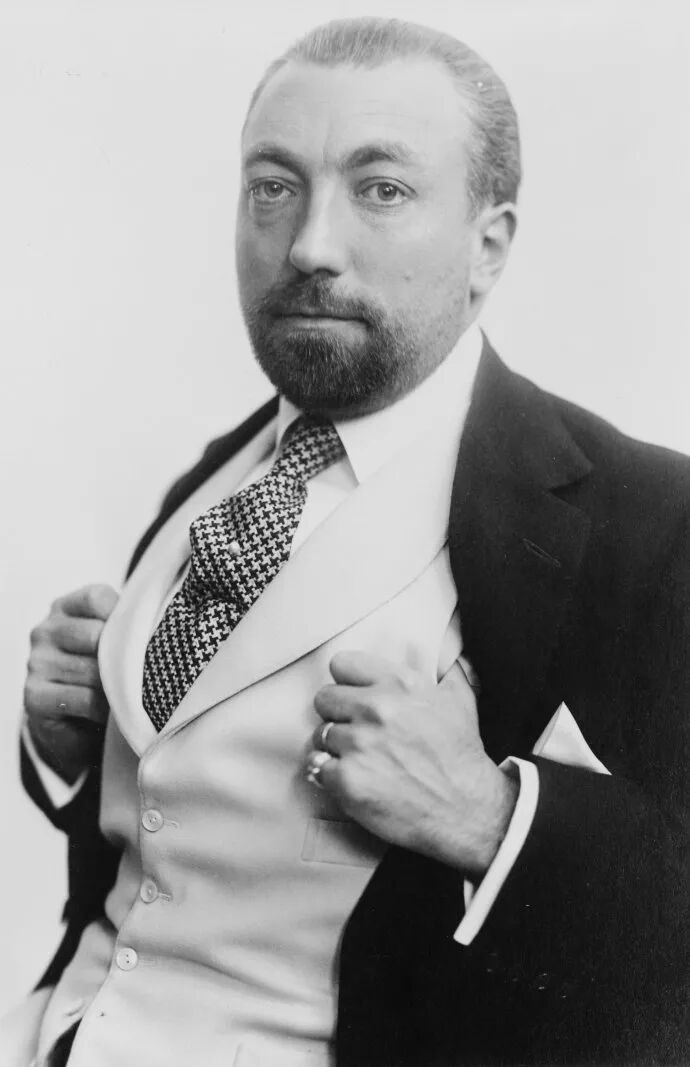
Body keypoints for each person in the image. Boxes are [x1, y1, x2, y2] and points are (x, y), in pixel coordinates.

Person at [6, 15, 688, 1067]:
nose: (310, 246)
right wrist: (71, 745)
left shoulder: (650, 522)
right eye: (273, 186)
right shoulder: (214, 479)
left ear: (489, 245)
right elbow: (164, 837)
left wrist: (492, 816)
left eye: (382, 189)